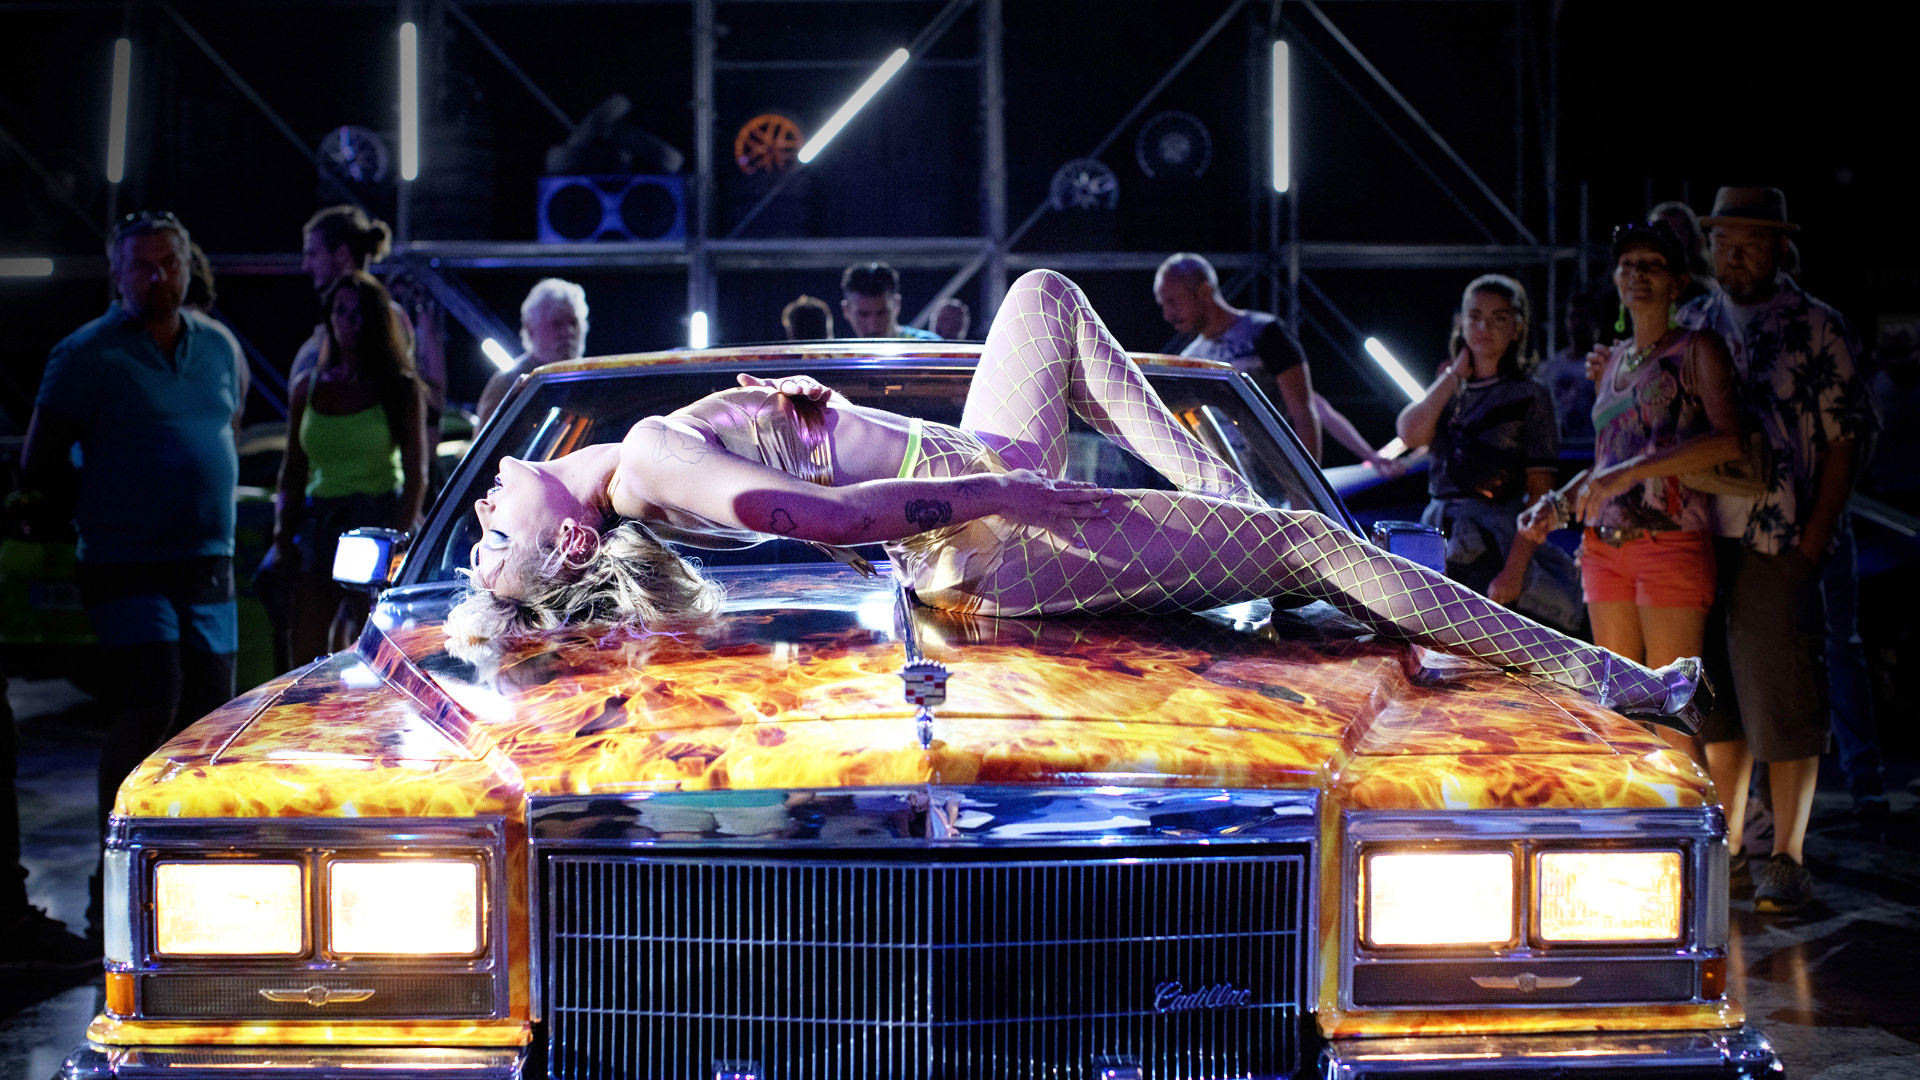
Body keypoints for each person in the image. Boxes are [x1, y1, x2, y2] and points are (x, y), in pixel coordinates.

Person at [449, 269, 1703, 727]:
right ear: (565, 538)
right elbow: (829, 525)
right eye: (494, 545)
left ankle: (1208, 477)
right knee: (1316, 544)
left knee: (1042, 295)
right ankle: (1608, 678)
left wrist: (812, 415)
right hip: (988, 543)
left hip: (967, 494)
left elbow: (824, 489)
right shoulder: (656, 458)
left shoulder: (647, 456)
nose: (483, 514)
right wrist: (1015, 487)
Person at [22, 212, 245, 933]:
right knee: (154, 694)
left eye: (169, 263)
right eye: (143, 265)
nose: (159, 276)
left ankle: (194, 872)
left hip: (209, 559)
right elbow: (40, 461)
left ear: (188, 265)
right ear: (117, 275)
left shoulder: (217, 346)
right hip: (124, 562)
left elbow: (225, 429)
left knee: (214, 712)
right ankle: (111, 871)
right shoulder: (83, 354)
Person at [1677, 187, 1874, 914]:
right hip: (1698, 537)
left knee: (1785, 698)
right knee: (1719, 704)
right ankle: (1729, 845)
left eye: (1753, 241)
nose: (1736, 254)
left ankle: (1787, 853)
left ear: (1781, 249)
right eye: (1725, 240)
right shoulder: (1692, 321)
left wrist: (1813, 543)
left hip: (1777, 536)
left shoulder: (1817, 325)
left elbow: (1847, 438)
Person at [1523, 223, 1741, 765]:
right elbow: (1608, 461)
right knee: (1615, 704)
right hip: (1604, 546)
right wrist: (1558, 504)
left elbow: (1730, 439)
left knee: (1670, 704)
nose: (1638, 275)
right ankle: (1631, 834)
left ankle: (1688, 834)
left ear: (1678, 281)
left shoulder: (1697, 348)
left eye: (1652, 266)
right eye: (1628, 266)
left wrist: (1631, 472)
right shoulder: (1616, 359)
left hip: (1670, 542)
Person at [1395, 274, 1580, 632]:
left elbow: (1540, 490)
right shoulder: (1450, 387)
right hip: (1438, 538)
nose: (1484, 327)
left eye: (1498, 318)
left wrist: (1515, 569)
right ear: (1461, 322)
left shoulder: (1530, 394)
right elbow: (1410, 432)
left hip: (1496, 540)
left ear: (1517, 327)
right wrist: (1452, 376)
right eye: (1475, 316)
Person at [271, 272, 430, 662]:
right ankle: (309, 717)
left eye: (358, 313)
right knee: (305, 641)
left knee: (372, 644)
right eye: (339, 311)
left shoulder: (399, 388)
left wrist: (397, 541)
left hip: (375, 519)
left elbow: (416, 475)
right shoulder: (307, 387)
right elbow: (293, 468)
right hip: (319, 520)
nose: (347, 322)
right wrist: (281, 538)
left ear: (376, 320)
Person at [1154, 253, 1322, 460]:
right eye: (1163, 305)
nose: (1167, 315)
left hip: (1277, 482)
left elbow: (1303, 414)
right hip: (1229, 486)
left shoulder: (1264, 332)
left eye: (1172, 301)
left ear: (1204, 291)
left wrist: (1303, 488)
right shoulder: (1189, 358)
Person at [478, 278, 590, 422]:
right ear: (531, 329)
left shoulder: (589, 378)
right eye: (557, 324)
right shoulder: (508, 384)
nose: (568, 332)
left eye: (573, 322)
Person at [1533, 290, 1599, 446]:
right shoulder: (1550, 369)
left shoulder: (1608, 366)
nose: (1577, 324)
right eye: (1572, 317)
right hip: (1559, 452)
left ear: (1596, 321)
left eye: (1583, 317)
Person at [840, 262, 940, 340]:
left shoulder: (927, 348)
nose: (873, 325)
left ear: (897, 304)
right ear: (846, 310)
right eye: (863, 314)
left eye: (882, 313)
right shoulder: (837, 356)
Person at [1649, 200, 1718, 304]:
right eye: (1663, 231)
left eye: (1678, 231)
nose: (1670, 239)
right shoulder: (1637, 284)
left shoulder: (1705, 290)